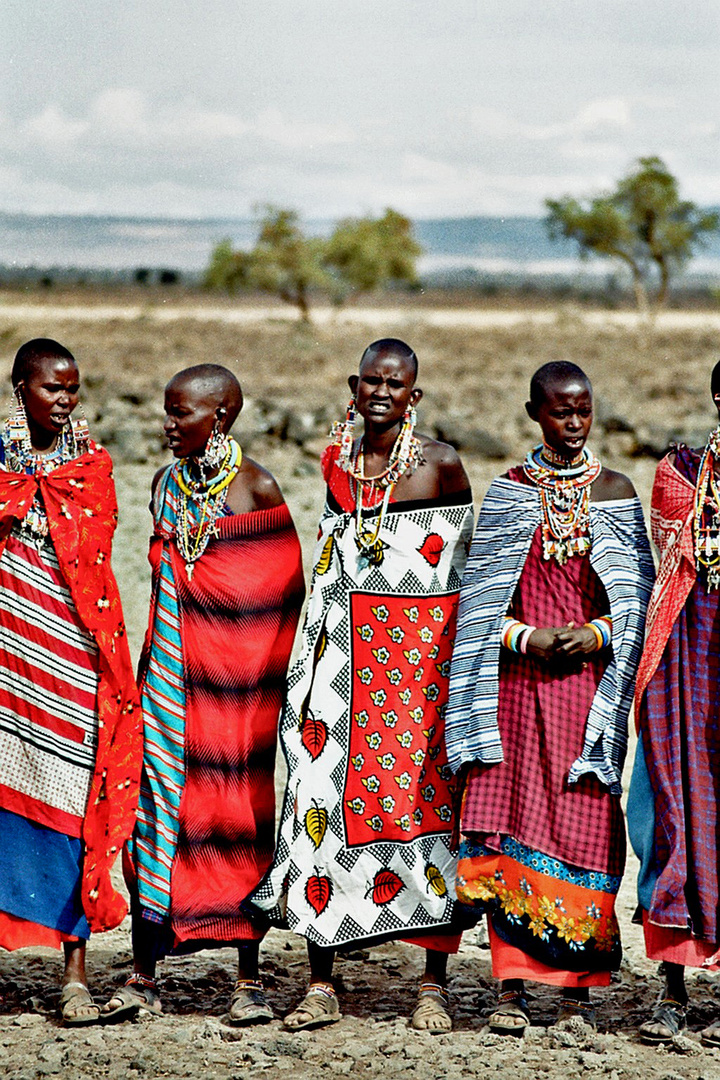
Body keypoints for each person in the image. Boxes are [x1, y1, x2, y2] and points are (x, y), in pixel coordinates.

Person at [252, 338, 474, 1033]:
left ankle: (432, 983)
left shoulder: (441, 466)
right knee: (318, 796)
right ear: (354, 386)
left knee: (427, 803)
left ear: (415, 395)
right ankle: (322, 978)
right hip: (340, 666)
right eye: (371, 381)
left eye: (396, 384)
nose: (381, 392)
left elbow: (460, 572)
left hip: (417, 673)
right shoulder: (337, 462)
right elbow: (337, 555)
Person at [445, 361, 654, 1033]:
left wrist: (595, 635)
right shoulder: (507, 494)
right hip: (514, 693)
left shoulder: (618, 492)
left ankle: (576, 991)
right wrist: (527, 639)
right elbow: (477, 608)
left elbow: (638, 603)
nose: (572, 422)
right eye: (560, 411)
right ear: (534, 412)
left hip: (587, 699)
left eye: (583, 411)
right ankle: (509, 987)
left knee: (587, 826)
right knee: (511, 824)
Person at [102, 364, 304, 1024]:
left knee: (236, 813)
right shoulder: (163, 485)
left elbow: (281, 594)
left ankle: (248, 978)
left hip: (238, 696)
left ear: (218, 418)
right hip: (167, 678)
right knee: (153, 810)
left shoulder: (256, 488)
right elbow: (164, 580)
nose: (166, 425)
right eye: (165, 411)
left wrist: (240, 664)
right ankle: (143, 969)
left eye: (179, 413)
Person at [0, 338, 140, 1024]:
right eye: (51, 387)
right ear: (19, 385)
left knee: (76, 803)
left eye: (73, 389)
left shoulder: (90, 466)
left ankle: (75, 972)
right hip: (5, 659)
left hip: (69, 660)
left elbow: (96, 555)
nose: (64, 399)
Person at [627, 361, 720, 1046]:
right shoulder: (682, 472)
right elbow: (672, 565)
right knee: (676, 807)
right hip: (688, 656)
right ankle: (672, 987)